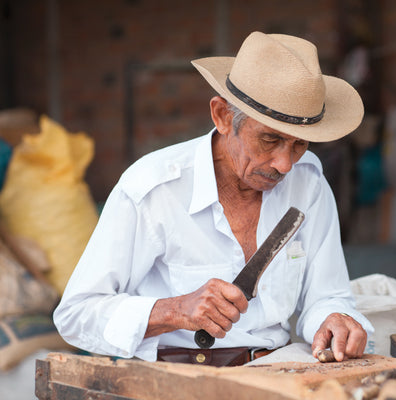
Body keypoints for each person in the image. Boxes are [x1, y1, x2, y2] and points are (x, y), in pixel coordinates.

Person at [53, 31, 373, 366]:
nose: (285, 164)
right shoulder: (153, 189)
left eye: (300, 144)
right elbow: (76, 315)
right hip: (177, 380)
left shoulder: (308, 182)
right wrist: (175, 310)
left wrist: (334, 318)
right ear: (221, 116)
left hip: (279, 372)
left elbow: (327, 294)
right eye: (269, 140)